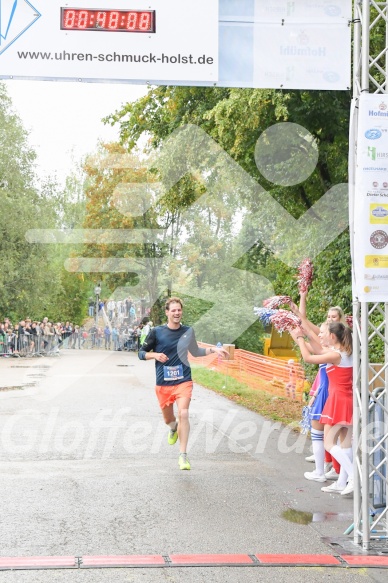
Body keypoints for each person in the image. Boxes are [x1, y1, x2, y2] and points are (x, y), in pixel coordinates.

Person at [138, 297, 229, 470]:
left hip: (183, 381)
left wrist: (213, 350)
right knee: (168, 419)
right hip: (163, 383)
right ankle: (173, 428)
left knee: (184, 413)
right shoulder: (157, 332)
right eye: (173, 310)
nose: (177, 313)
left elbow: (195, 351)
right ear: (167, 313)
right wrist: (155, 355)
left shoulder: (188, 331)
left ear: (182, 311)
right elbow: (141, 353)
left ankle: (183, 456)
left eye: (179, 310)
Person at [291, 321, 354, 495]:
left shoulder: (336, 355)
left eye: (325, 333)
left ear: (333, 336)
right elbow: (319, 350)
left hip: (337, 401)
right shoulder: (346, 353)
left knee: (329, 443)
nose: (322, 335)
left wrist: (300, 339)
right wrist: (306, 333)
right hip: (348, 400)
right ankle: (342, 482)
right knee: (345, 444)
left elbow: (309, 358)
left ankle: (355, 476)